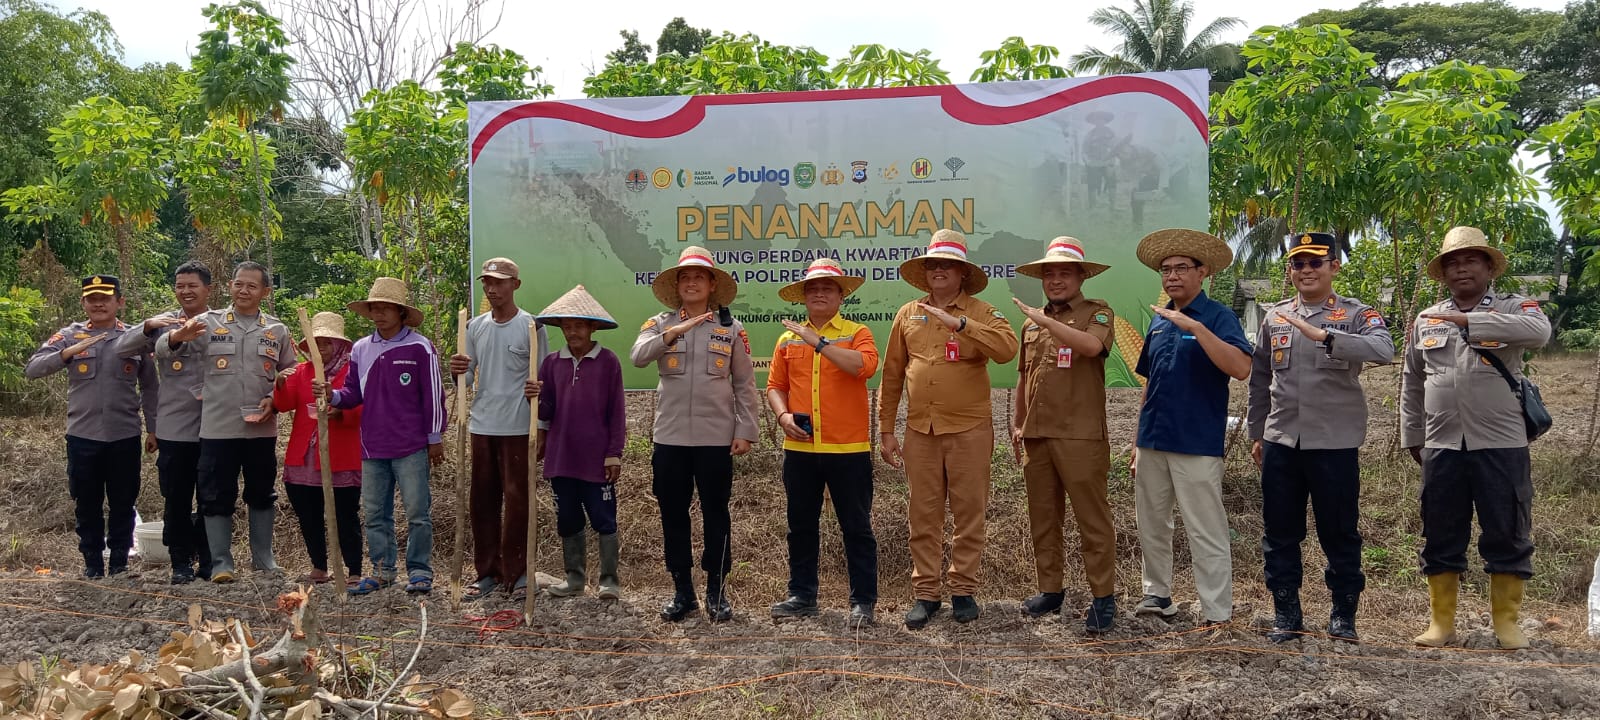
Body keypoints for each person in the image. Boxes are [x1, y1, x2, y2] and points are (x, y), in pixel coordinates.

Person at [1402, 226, 1551, 650]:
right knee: (1440, 531)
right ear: (1443, 272)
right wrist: (1414, 435)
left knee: (1506, 529)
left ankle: (1506, 624)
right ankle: (1441, 623)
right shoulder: (1427, 317)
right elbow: (1412, 382)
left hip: (1501, 441)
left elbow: (1539, 332)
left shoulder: (1512, 308)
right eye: (1452, 262)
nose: (1461, 268)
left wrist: (1470, 321)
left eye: (1470, 260)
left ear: (1488, 267)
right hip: (1443, 443)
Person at [1246, 232, 1394, 643]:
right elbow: (1260, 378)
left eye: (1315, 262)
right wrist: (1257, 432)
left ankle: (1343, 615)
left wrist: (1327, 338)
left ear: (1334, 267)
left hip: (1333, 442)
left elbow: (1384, 349)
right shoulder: (1275, 316)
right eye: (1298, 263)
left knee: (1339, 531)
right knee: (1279, 532)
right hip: (1281, 441)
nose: (1306, 270)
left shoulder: (1356, 314)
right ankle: (1286, 614)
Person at [880, 228, 1019, 628]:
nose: (939, 270)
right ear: (926, 273)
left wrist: (960, 324)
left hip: (969, 429)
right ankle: (926, 593)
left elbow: (1007, 350)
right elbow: (892, 375)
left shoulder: (981, 312)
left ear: (962, 273)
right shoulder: (907, 314)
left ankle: (963, 589)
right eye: (933, 265)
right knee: (922, 514)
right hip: (920, 431)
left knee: (969, 511)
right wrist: (887, 429)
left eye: (947, 265)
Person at [1129, 228, 1252, 626]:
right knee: (1152, 522)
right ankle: (1157, 595)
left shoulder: (1218, 317)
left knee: (1205, 528)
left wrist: (1195, 327)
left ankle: (1216, 612)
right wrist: (1136, 441)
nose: (1173, 276)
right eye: (1166, 270)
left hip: (1196, 441)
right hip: (1153, 439)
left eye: (1182, 268)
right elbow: (1149, 384)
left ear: (1204, 273)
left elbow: (1241, 368)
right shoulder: (1159, 320)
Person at [631, 246, 761, 623]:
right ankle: (682, 592)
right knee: (673, 514)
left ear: (711, 285)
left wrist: (746, 430)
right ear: (677, 286)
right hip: (670, 438)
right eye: (684, 277)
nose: (691, 282)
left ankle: (717, 591)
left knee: (716, 514)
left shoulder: (730, 329)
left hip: (715, 439)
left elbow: (744, 384)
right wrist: (674, 332)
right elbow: (638, 356)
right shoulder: (658, 323)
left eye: (698, 277)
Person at [158, 262, 296, 584]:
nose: (243, 291)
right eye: (238, 284)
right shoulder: (209, 323)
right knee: (216, 496)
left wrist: (275, 401)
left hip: (261, 430)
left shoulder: (276, 330)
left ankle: (264, 561)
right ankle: (221, 562)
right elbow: (164, 351)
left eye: (251, 286)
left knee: (262, 494)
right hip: (218, 429)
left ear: (265, 292)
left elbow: (291, 374)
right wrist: (178, 335)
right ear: (230, 287)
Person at [1009, 237, 1119, 633]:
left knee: (1092, 519)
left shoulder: (1098, 312)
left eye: (1064, 273)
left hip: (1080, 434)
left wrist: (1046, 322)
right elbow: (1023, 377)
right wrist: (1018, 422)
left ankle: (1103, 597)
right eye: (1049, 274)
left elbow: (1090, 347)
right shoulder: (1030, 322)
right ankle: (1050, 589)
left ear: (1080, 277)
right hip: (1037, 434)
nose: (1055, 281)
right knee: (1043, 516)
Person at [765, 259, 881, 626]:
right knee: (800, 524)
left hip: (848, 450)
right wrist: (783, 417)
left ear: (840, 296)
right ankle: (802, 595)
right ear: (803, 296)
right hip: (800, 450)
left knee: (856, 526)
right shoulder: (785, 340)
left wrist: (818, 341)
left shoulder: (856, 331)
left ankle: (863, 602)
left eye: (827, 288)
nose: (819, 293)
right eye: (812, 288)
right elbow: (774, 388)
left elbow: (863, 366)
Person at [318, 277, 447, 596]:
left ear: (401, 313)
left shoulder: (420, 347)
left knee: (417, 512)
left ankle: (419, 571)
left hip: (411, 445)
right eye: (375, 308)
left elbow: (434, 394)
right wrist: (331, 395)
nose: (379, 314)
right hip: (372, 446)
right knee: (375, 513)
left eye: (386, 308)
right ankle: (382, 570)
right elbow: (352, 393)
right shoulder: (362, 348)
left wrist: (435, 437)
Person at [26, 275, 157, 578]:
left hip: (123, 434)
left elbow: (151, 386)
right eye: (92, 299)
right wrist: (65, 355)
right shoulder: (70, 335)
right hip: (83, 436)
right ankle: (93, 564)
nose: (98, 304)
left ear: (119, 302)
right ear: (83, 302)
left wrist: (154, 427)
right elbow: (33, 368)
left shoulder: (135, 337)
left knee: (123, 501)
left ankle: (120, 563)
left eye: (105, 298)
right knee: (87, 502)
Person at [448, 258, 549, 602]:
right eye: (488, 283)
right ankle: (487, 572)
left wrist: (541, 426)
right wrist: (456, 368)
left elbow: (542, 380)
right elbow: (465, 373)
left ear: (515, 286)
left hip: (519, 426)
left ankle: (518, 573)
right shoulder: (474, 327)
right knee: (482, 500)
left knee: (518, 501)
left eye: (500, 283)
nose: (493, 289)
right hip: (482, 424)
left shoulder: (532, 326)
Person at [113, 261, 213, 583]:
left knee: (212, 497)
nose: (185, 291)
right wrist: (146, 326)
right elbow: (120, 349)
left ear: (207, 290)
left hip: (215, 426)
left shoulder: (222, 322)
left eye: (192, 286)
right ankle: (180, 562)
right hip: (175, 427)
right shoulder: (162, 324)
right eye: (180, 285)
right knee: (177, 499)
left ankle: (210, 561)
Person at [532, 285, 626, 600]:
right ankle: (574, 578)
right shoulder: (551, 363)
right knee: (568, 518)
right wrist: (533, 397)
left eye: (579, 325)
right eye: (567, 326)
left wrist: (614, 453)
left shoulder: (608, 362)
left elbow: (617, 411)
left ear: (592, 327)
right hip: (562, 457)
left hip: (596, 457)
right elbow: (546, 411)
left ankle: (609, 580)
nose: (572, 331)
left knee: (603, 518)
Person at [272, 311, 364, 587]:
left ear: (340, 346)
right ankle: (319, 566)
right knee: (308, 513)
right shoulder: (302, 372)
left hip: (341, 454)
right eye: (317, 343)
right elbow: (285, 403)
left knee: (345, 514)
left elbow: (363, 407)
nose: (322, 349)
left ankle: (355, 569)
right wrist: (279, 383)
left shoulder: (353, 372)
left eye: (327, 343)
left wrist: (340, 413)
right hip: (304, 457)